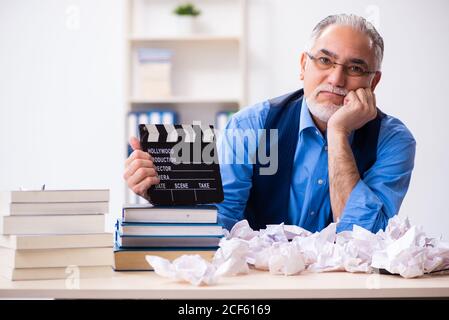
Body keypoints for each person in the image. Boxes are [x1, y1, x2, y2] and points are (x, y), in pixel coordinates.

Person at [124, 14, 416, 234]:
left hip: (346, 287)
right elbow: (221, 222)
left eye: (354, 68)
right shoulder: (251, 125)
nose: (337, 79)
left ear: (373, 81)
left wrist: (338, 134)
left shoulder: (393, 141)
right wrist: (164, 195)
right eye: (325, 61)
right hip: (261, 284)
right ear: (304, 66)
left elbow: (365, 238)